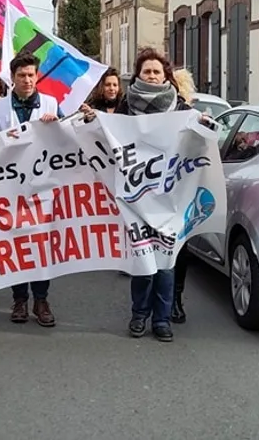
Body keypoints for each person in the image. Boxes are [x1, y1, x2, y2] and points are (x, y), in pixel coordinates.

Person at [100, 47, 198, 342]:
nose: (152, 76)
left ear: (165, 75)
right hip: (138, 196)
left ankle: (162, 319)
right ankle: (139, 315)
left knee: (166, 262)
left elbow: (194, 141)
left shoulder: (180, 108)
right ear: (139, 75)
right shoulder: (126, 107)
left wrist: (203, 125)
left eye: (157, 71)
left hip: (169, 197)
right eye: (147, 71)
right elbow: (111, 138)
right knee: (143, 259)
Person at [0, 52, 62, 327]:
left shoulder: (52, 104)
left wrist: (57, 126)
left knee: (41, 245)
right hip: (9, 187)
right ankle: (19, 299)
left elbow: (70, 137)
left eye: (31, 75)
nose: (27, 80)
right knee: (16, 244)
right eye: (22, 76)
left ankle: (40, 300)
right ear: (13, 77)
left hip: (42, 187)